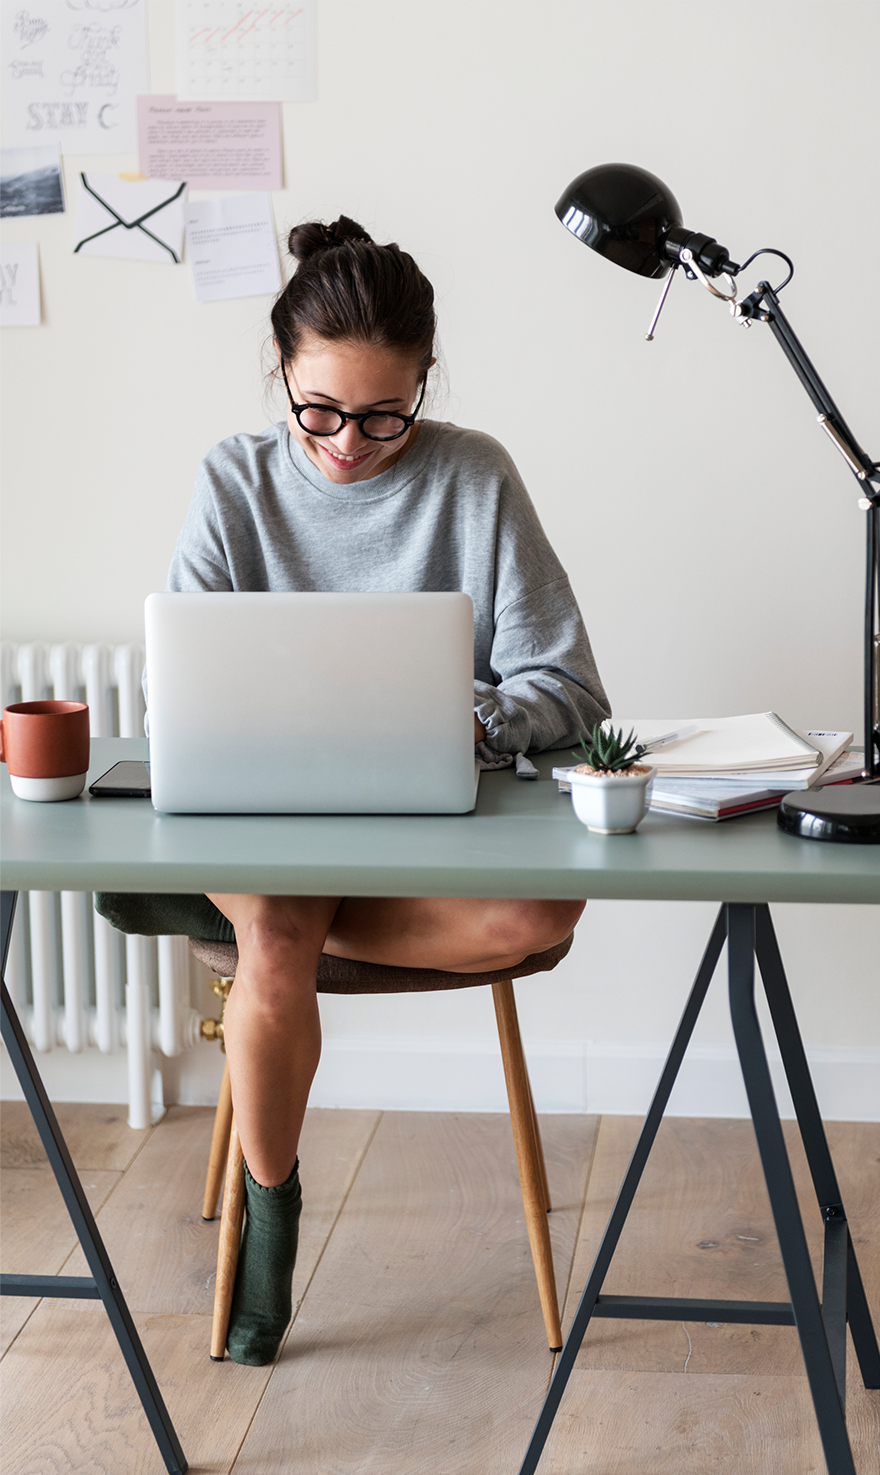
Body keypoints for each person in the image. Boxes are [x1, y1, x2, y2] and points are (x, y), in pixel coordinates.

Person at [98, 215, 610, 1365]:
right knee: (278, 932)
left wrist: (467, 721)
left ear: (425, 381)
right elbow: (180, 684)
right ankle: (268, 1213)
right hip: (261, 816)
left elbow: (568, 686)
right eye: (318, 410)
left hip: (424, 818)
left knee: (535, 917)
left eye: (386, 414)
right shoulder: (233, 478)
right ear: (280, 372)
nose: (348, 442)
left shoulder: (473, 475)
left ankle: (232, 920)